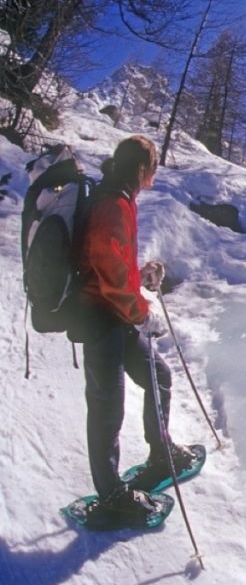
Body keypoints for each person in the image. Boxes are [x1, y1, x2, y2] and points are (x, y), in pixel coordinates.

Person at [73, 135, 197, 527]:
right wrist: (138, 309)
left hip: (115, 313)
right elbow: (106, 266)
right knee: (108, 406)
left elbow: (114, 261)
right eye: (154, 165)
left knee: (158, 375)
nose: (155, 173)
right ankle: (111, 497)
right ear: (143, 169)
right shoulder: (112, 202)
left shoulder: (120, 198)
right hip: (100, 317)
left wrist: (140, 276)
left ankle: (161, 452)